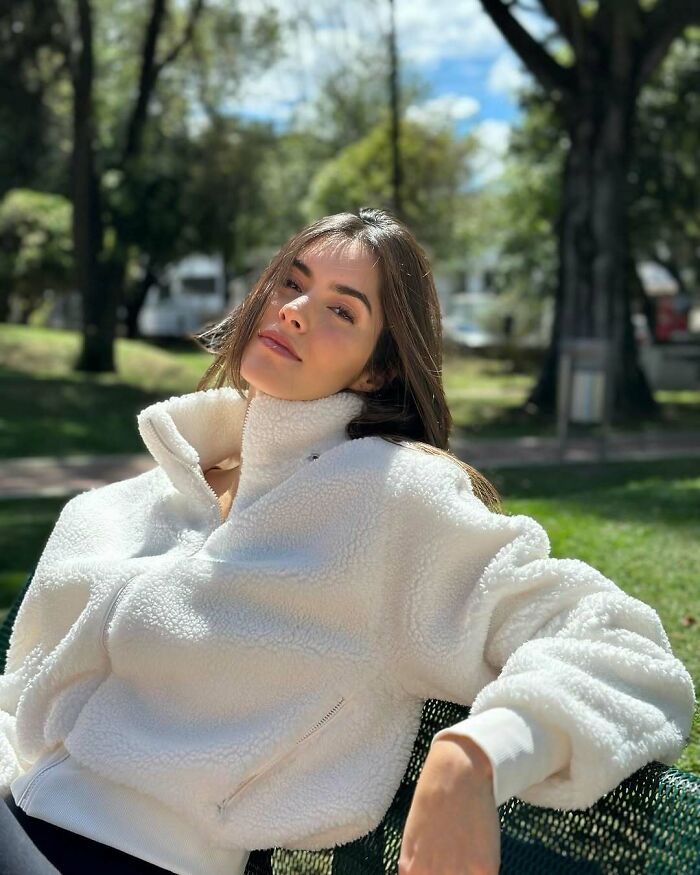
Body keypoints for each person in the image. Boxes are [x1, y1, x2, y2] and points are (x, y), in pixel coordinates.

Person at [0, 207, 695, 875]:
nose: (296, 308)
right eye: (291, 281)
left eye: (342, 309)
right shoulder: (157, 487)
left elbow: (620, 646)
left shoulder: (388, 503)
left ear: (376, 369)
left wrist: (479, 754)